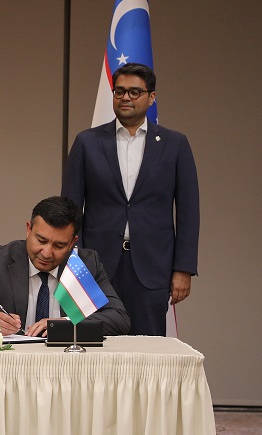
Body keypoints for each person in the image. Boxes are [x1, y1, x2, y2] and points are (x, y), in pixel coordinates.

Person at [61, 63, 199, 336]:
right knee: (94, 345)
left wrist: (183, 269)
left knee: (148, 348)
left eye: (135, 92)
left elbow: (188, 212)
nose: (126, 97)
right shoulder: (87, 142)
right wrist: (73, 264)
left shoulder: (175, 144)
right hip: (96, 265)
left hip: (152, 266)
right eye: (120, 91)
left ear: (151, 97)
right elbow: (69, 209)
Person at [0, 196, 130, 337]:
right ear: (28, 229)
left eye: (59, 245)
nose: (46, 253)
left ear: (72, 243)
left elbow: (119, 319)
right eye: (41, 240)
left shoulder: (81, 264)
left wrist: (65, 324)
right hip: (12, 361)